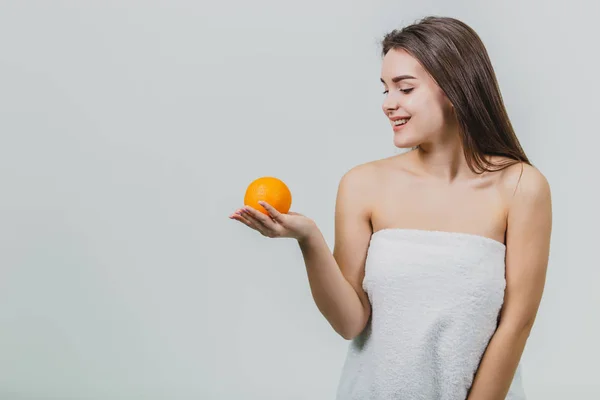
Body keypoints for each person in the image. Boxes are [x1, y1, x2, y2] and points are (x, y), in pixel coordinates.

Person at [228, 15, 552, 400]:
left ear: (454, 88)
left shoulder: (521, 187)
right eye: (385, 89)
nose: (388, 103)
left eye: (404, 88)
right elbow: (350, 322)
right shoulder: (362, 185)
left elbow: (516, 324)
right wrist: (308, 239)